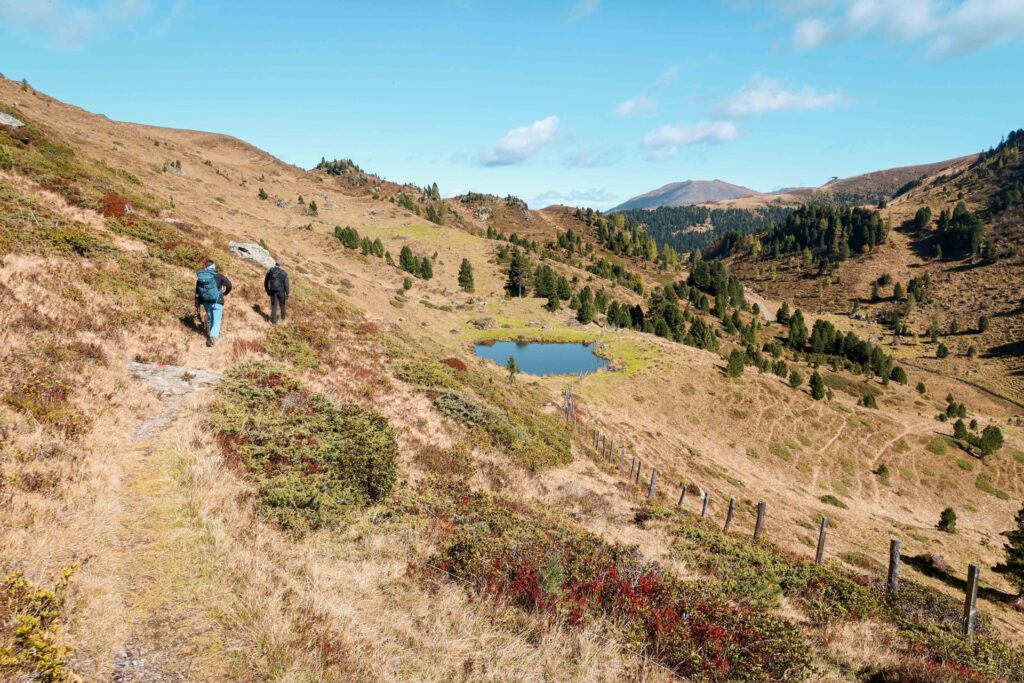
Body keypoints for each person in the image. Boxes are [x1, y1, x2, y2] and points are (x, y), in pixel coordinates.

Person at [195, 260, 232, 347]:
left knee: (211, 319)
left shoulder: (201, 277)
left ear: (206, 267)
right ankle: (213, 338)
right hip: (217, 301)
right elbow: (229, 285)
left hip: (205, 301)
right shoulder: (218, 275)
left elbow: (197, 292)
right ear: (213, 266)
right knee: (217, 321)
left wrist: (197, 304)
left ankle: (213, 336)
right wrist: (225, 293)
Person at [263, 260, 290, 325]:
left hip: (272, 291)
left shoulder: (270, 271)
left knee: (273, 306)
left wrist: (267, 290)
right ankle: (283, 319)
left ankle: (274, 323)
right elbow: (286, 284)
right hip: (281, 291)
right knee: (282, 305)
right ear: (281, 265)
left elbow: (266, 282)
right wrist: (287, 293)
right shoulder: (284, 273)